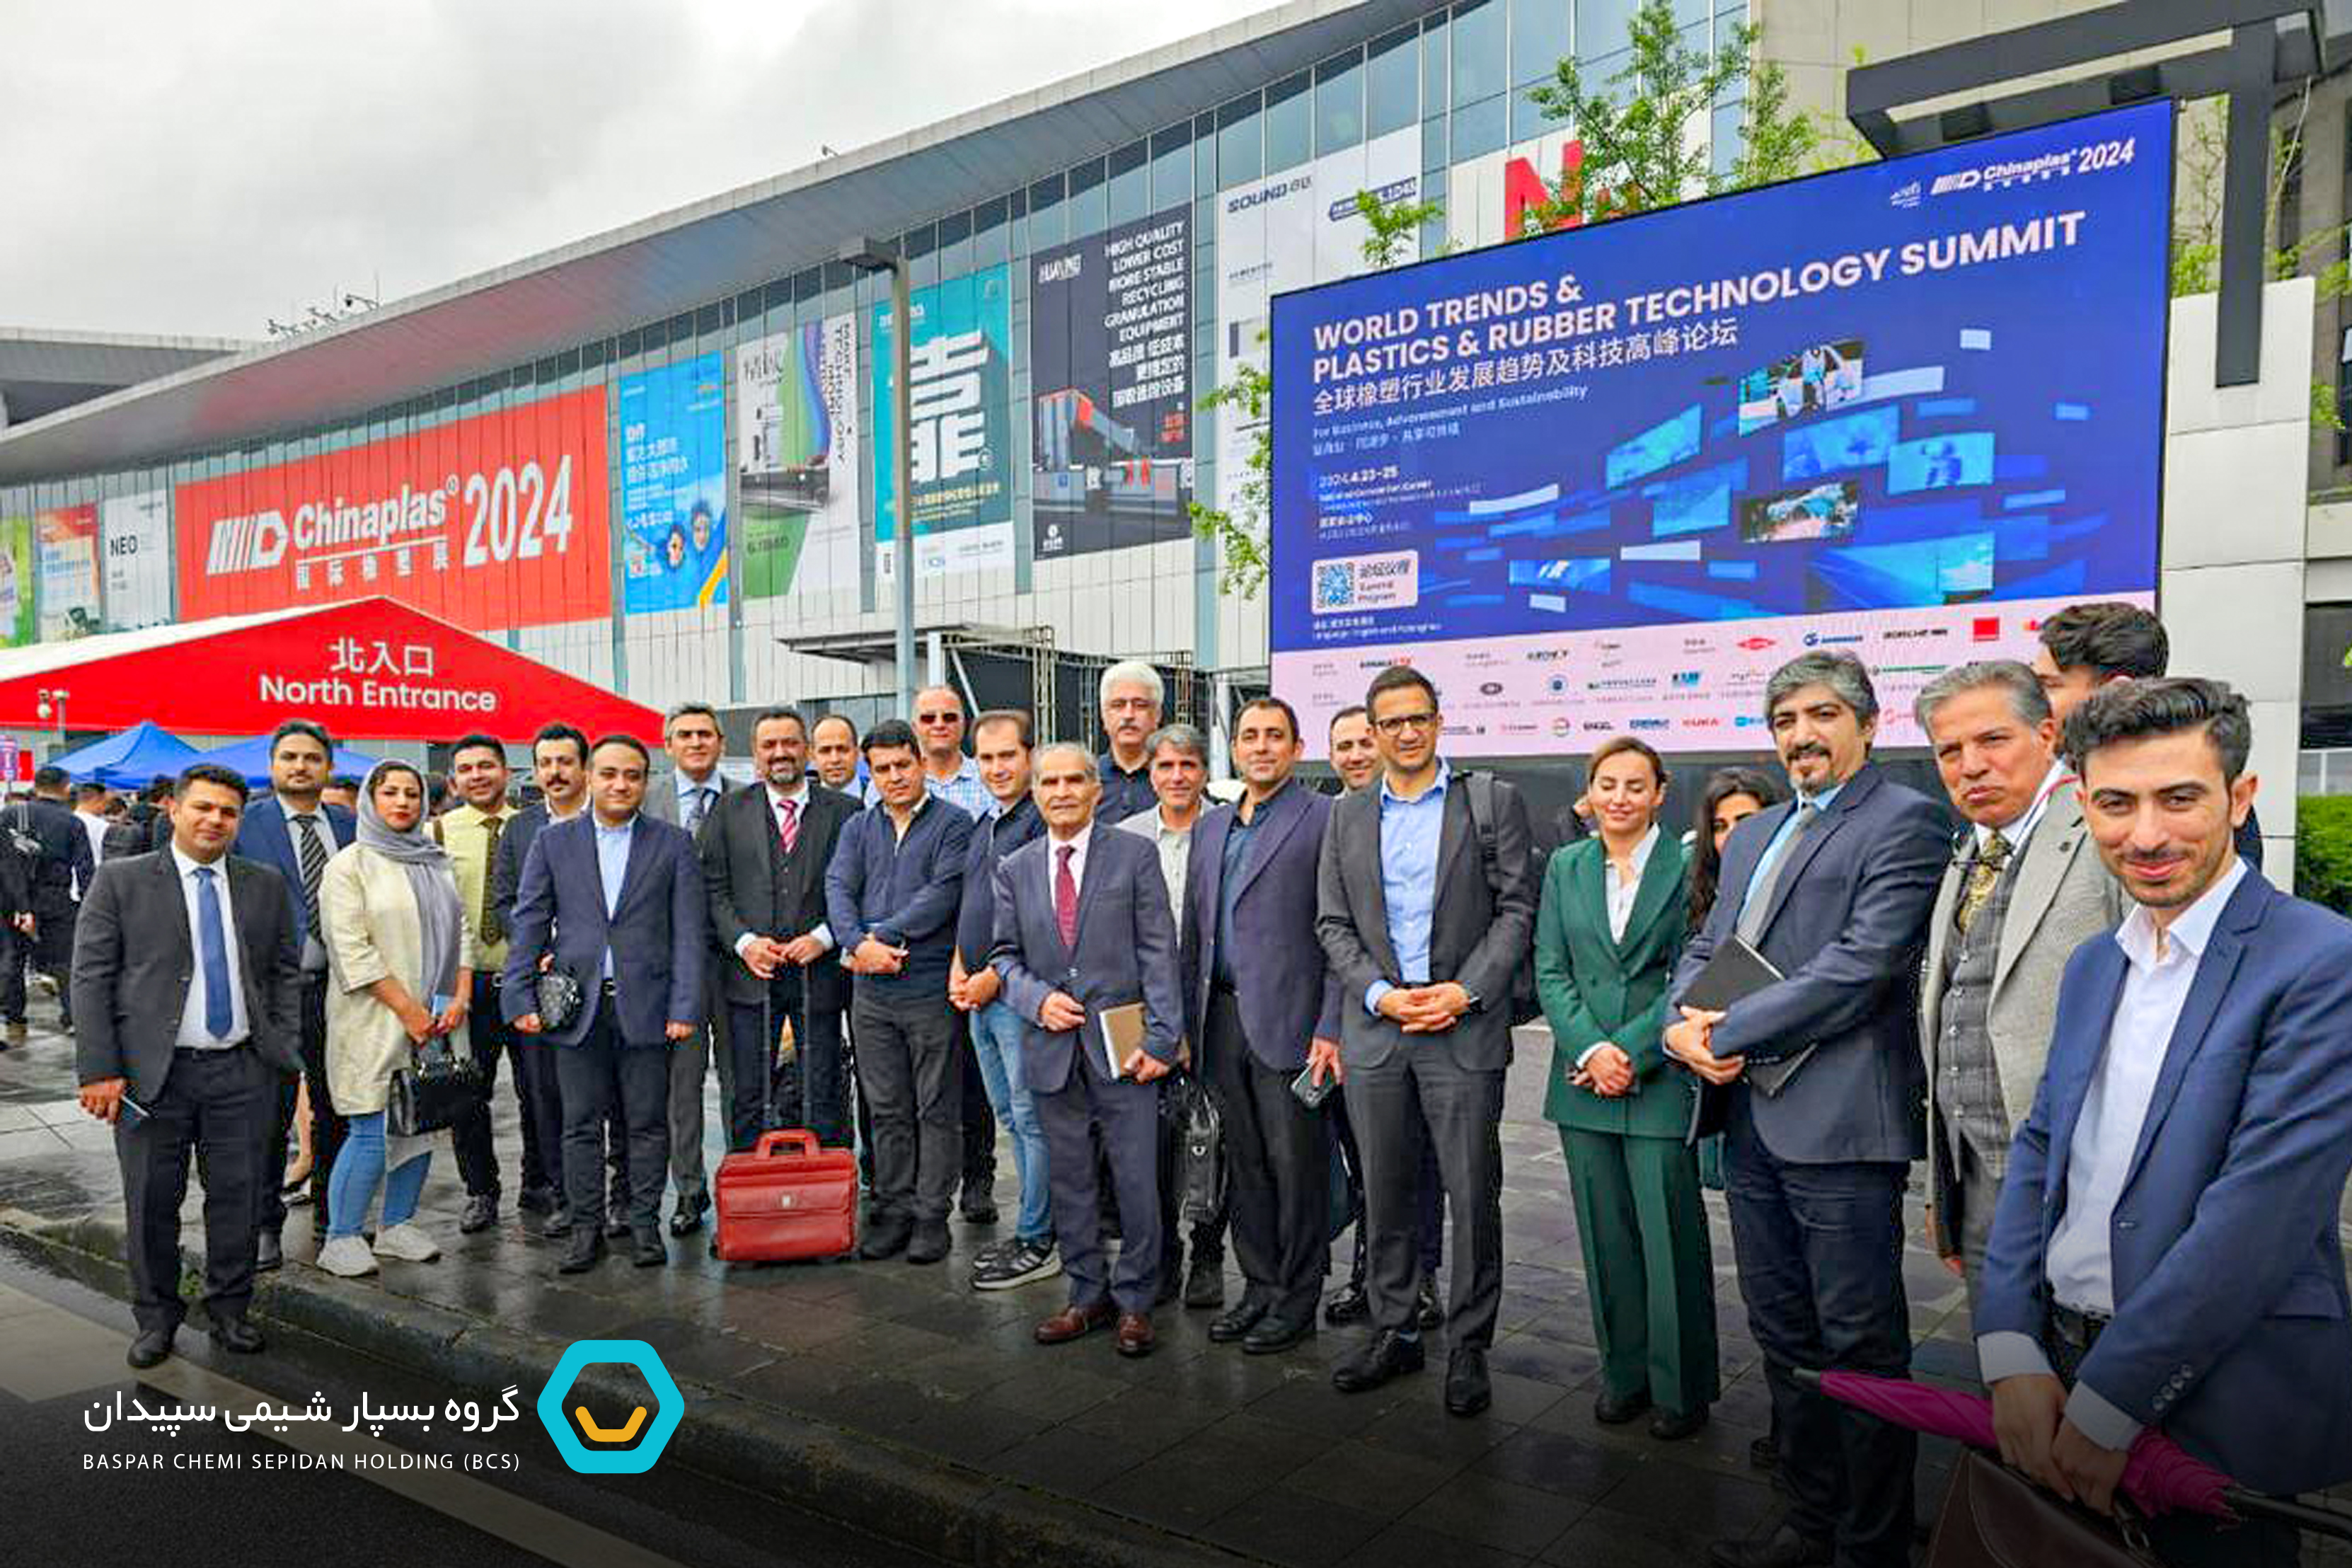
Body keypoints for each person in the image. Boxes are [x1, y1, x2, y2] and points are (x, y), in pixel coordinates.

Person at [1978, 678, 2352, 1568]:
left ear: (2240, 797)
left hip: (2214, 1377)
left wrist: (2115, 1396)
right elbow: (2041, 1150)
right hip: (2056, 1357)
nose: (2145, 834)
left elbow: (2262, 1212)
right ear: (2083, 804)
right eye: (2116, 802)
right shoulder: (2093, 964)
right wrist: (2008, 1342)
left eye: (2179, 797)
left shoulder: (2319, 959)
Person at [1664, 651, 1946, 1568]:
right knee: (1782, 1332)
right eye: (1785, 720)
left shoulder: (1906, 819)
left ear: (1868, 723)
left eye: (1822, 714)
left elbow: (1862, 965)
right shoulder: (1755, 832)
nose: (1802, 734)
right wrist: (1677, 1025)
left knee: (1861, 1346)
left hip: (1840, 1128)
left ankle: (1873, 1544)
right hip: (1749, 1120)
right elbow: (1710, 941)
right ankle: (1811, 1521)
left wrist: (1727, 1027)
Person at [1315, 665, 1536, 1418]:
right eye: (1392, 722)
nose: (1407, 732)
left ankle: (1469, 1343)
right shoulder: (1345, 814)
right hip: (1378, 1031)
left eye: (1419, 718)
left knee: (1471, 1193)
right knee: (1385, 1190)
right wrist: (1378, 994)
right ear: (1373, 733)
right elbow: (1332, 922)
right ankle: (1396, 1327)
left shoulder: (1490, 801)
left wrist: (1463, 992)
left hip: (1461, 1029)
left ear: (1439, 722)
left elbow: (1516, 910)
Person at [72, 763, 300, 1368]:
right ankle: (155, 1319)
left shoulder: (263, 884)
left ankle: (230, 1310)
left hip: (242, 1072)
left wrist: (282, 1047)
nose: (214, 820)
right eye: (202, 807)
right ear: (173, 809)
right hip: (152, 1078)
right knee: (151, 1203)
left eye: (228, 812)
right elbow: (90, 978)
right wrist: (98, 1070)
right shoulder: (122, 881)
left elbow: (284, 971)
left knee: (238, 1201)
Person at [1915, 662, 2122, 1299]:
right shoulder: (1970, 850)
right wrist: (1945, 1187)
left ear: (2047, 734)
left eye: (1993, 740)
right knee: (2002, 1348)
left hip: (2085, 1174)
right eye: (1950, 751)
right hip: (1975, 1173)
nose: (1971, 766)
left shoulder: (2105, 829)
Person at [1534, 737, 1715, 1443]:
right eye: (1607, 784)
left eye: (1635, 785)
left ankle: (1681, 1387)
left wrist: (1631, 1053)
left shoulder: (1688, 864)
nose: (1619, 797)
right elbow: (1551, 967)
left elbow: (1691, 973)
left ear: (1660, 793)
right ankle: (1625, 1374)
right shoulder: (1567, 866)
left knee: (1670, 1237)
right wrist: (1590, 1047)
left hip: (1659, 1071)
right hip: (1583, 1076)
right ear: (1590, 791)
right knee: (1605, 1238)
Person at [990, 744, 1182, 1358]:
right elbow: (1003, 958)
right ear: (1036, 793)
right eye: (1050, 783)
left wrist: (1162, 1039)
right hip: (1052, 1050)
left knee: (1137, 1181)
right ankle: (1086, 1295)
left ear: (1096, 790)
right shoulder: (1015, 867)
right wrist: (1036, 1000)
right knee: (1070, 1181)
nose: (1063, 792)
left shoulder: (1134, 854)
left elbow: (1159, 951)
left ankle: (1136, 1302)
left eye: (1076, 780)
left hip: (1126, 1052)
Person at [505, 734, 706, 1274]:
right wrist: (518, 995)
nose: (621, 785)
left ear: (645, 781)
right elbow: (529, 919)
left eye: (633, 775)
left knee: (647, 1125)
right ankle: (585, 1229)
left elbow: (689, 932)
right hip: (577, 1010)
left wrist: (686, 1006)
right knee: (580, 1125)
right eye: (610, 774)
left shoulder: (673, 843)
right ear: (590, 778)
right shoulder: (553, 842)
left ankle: (644, 1225)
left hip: (648, 1008)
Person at [1182, 697, 1339, 1356]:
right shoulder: (1212, 827)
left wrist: (1331, 1024)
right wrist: (1184, 1025)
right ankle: (1260, 1286)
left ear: (1297, 748)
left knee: (1295, 1165)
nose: (1262, 747)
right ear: (1235, 749)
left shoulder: (1325, 818)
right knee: (1242, 1163)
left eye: (1276, 736)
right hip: (1219, 1019)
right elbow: (1194, 932)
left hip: (1293, 1024)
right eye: (1250, 736)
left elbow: (1342, 930)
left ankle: (1298, 1299)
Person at [313, 762, 475, 1278]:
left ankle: (397, 1225)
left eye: (411, 793)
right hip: (376, 1018)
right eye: (390, 793)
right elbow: (351, 951)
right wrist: (408, 1010)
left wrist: (459, 997)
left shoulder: (435, 861)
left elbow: (462, 933)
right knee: (369, 1127)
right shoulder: (349, 865)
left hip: (439, 1019)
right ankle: (341, 1236)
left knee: (420, 1127)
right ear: (371, 800)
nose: (403, 802)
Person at [823, 719, 974, 1264]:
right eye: (882, 769)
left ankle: (932, 1216)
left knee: (935, 1107)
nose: (894, 777)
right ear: (872, 773)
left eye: (903, 765)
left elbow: (943, 894)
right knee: (886, 1107)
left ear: (921, 763)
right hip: (871, 991)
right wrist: (856, 945)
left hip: (928, 985)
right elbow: (838, 886)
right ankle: (893, 1209)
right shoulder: (858, 828)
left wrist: (878, 938)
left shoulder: (954, 824)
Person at [1321, 701, 1446, 1332]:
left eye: (1361, 744)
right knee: (1368, 1163)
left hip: (1423, 1018)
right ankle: (1370, 1277)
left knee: (1420, 1163)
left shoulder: (1440, 815)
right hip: (1355, 1020)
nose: (1355, 756)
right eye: (1343, 746)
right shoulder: (1335, 819)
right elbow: (1329, 928)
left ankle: (1421, 1279)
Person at [1685, 763, 1785, 1472]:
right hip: (1726, 1096)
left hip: (1796, 1101)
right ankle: (1791, 1424)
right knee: (1768, 1291)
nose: (1731, 837)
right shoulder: (1707, 897)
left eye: (1745, 822)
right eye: (1719, 826)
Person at [701, 706, 857, 1151]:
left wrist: (824, 937)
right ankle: (750, 1179)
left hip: (820, 976)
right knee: (749, 1093)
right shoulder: (728, 811)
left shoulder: (846, 811)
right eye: (769, 745)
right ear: (755, 753)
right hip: (750, 979)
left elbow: (860, 887)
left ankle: (823, 1178)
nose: (780, 752)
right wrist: (745, 943)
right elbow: (712, 889)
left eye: (790, 743)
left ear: (807, 749)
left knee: (822, 1089)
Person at [234, 721, 355, 1264]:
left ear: (328, 766)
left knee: (338, 1107)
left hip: (343, 990)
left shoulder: (350, 824)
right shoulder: (246, 823)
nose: (300, 766)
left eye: (311, 758)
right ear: (272, 764)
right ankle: (265, 1224)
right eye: (289, 757)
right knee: (271, 1112)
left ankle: (334, 1214)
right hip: (273, 993)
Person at [1117, 721, 1227, 1309]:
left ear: (1204, 771)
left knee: (1214, 1135)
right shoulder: (1126, 836)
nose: (1177, 776)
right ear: (1150, 773)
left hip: (1215, 1006)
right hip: (1145, 1006)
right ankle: (1162, 1254)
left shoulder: (1228, 829)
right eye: (1166, 766)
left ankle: (1208, 1253)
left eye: (1188, 765)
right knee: (1150, 1142)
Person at [950, 709, 1056, 1291]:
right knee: (1011, 1118)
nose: (996, 768)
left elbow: (1042, 921)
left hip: (1017, 996)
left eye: (1007, 756)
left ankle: (1042, 1238)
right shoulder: (986, 825)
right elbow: (972, 904)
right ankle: (1032, 1230)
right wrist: (959, 966)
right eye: (986, 758)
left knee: (1033, 1119)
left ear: (1030, 756)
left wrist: (992, 975)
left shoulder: (1041, 824)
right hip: (980, 998)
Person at [2034, 600, 2263, 868]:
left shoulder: (2217, 798)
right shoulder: (2041, 783)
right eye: (2114, 803)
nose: (2147, 840)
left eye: (2178, 800)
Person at [437, 734, 557, 1234]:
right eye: (466, 769)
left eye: (487, 765)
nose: (477, 775)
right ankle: (480, 1190)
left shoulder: (535, 827)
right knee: (468, 1095)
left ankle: (539, 1182)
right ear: (453, 781)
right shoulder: (437, 832)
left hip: (528, 980)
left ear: (507, 773)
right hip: (468, 986)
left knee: (540, 1091)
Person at [491, 722, 599, 1239]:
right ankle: (565, 1195)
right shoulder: (520, 828)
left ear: (585, 768)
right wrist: (540, 947)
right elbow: (506, 902)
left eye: (565, 762)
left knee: (615, 1097)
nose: (555, 772)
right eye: (546, 763)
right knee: (546, 1096)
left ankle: (619, 1198)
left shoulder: (610, 818)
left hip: (607, 977)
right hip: (544, 980)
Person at [642, 701, 734, 1238]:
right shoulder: (646, 800)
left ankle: (741, 1188)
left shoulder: (745, 799)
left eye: (705, 733)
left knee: (742, 1083)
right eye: (685, 735)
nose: (696, 742)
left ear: (721, 741)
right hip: (673, 968)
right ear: (668, 744)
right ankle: (689, 1189)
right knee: (682, 1087)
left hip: (737, 963)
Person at [911, 685, 997, 1228]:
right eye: (928, 717)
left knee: (975, 1075)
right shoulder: (897, 781)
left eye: (949, 716)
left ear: (963, 722)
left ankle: (980, 1179)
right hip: (916, 955)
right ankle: (919, 1184)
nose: (939, 724)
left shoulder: (986, 781)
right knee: (924, 1080)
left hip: (974, 947)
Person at [10, 765, 93, 1034]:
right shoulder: (72, 822)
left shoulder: (9, 815)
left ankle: (14, 1016)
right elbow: (85, 868)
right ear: (66, 788)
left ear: (35, 786)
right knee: (66, 960)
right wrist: (89, 904)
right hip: (57, 897)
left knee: (13, 958)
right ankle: (72, 1017)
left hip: (13, 898)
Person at [1093, 661, 1163, 822]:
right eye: (1118, 705)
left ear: (1157, 715)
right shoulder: (1086, 780)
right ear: (1104, 715)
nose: (1128, 715)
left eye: (1140, 705)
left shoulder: (1175, 781)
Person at [809, 714, 872, 804]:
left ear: (857, 753)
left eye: (843, 750)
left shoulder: (879, 797)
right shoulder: (800, 803)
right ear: (812, 756)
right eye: (825, 751)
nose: (835, 759)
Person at [1326, 705, 1379, 795]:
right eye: (1345, 747)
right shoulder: (1327, 804)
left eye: (1367, 745)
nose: (1356, 757)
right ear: (1332, 759)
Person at [72, 781, 113, 872]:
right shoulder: (104, 826)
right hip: (96, 874)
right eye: (105, 803)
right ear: (96, 800)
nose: (106, 808)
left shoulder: (67, 821)